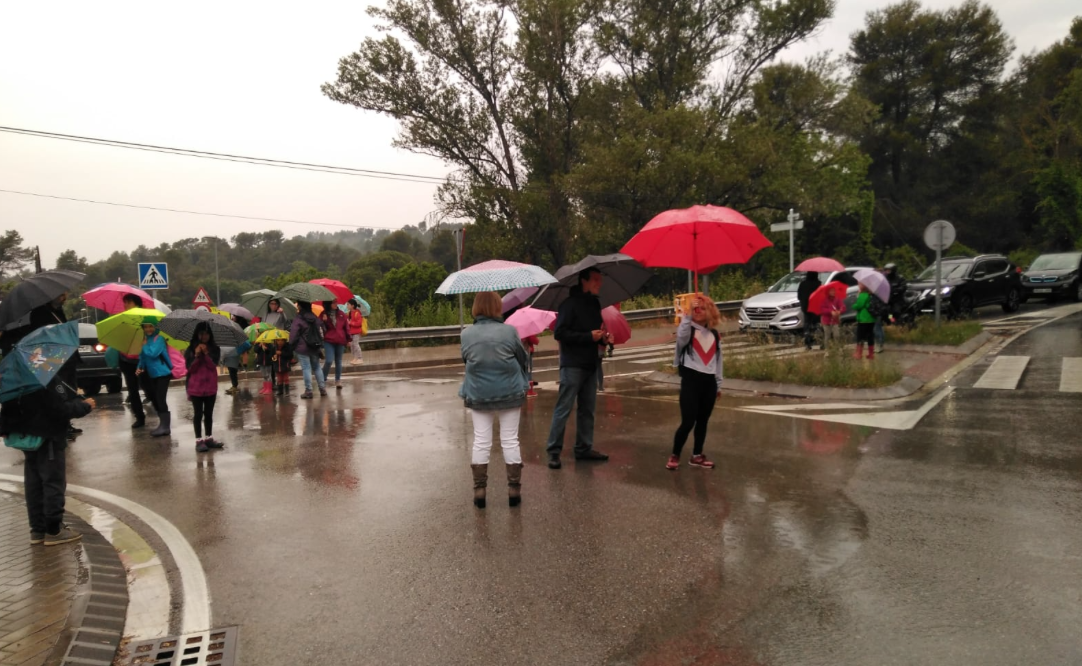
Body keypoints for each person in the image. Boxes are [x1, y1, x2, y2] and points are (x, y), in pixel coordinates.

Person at [0, 357, 94, 546]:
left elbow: (8, 408)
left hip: (27, 438)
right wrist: (85, 405)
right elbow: (58, 409)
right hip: (48, 436)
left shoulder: (15, 378)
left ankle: (37, 530)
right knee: (53, 482)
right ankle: (54, 530)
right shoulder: (43, 377)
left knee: (33, 483)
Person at [459, 291, 529, 509]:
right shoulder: (509, 331)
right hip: (509, 391)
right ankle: (514, 489)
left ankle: (480, 491)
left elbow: (466, 358)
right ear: (498, 307)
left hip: (479, 392)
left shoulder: (466, 334)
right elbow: (522, 358)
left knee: (481, 440)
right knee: (510, 439)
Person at [544, 268, 612, 469]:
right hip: (572, 365)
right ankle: (553, 452)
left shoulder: (595, 304)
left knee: (587, 410)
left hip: (591, 363)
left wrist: (603, 338)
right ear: (584, 281)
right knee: (563, 409)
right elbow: (560, 333)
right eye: (595, 280)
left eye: (600, 280)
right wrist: (588, 337)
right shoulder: (568, 305)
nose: (599, 283)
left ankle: (583, 448)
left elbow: (594, 332)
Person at [667, 295, 723, 470]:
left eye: (702, 309)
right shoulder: (688, 330)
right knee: (688, 421)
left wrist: (718, 384)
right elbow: (681, 338)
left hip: (709, 384)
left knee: (703, 421)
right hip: (691, 382)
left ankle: (697, 455)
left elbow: (718, 361)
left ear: (710, 312)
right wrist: (688, 314)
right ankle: (675, 454)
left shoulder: (714, 334)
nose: (699, 312)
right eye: (696, 309)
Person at [184, 323, 222, 453]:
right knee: (198, 414)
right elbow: (190, 369)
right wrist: (196, 355)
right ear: (197, 334)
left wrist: (206, 354)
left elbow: (213, 366)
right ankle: (199, 440)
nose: (204, 336)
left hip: (210, 386)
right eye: (201, 333)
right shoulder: (190, 349)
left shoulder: (215, 349)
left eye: (206, 333)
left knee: (209, 413)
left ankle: (209, 438)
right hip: (196, 387)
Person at [136, 317, 173, 436]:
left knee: (160, 398)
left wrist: (144, 346)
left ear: (155, 327)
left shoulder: (160, 339)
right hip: (151, 374)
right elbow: (143, 357)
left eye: (150, 326)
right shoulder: (146, 339)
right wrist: (139, 367)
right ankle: (163, 424)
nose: (148, 329)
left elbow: (153, 354)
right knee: (155, 399)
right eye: (145, 327)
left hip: (162, 373)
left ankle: (165, 427)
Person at [118, 294, 149, 428]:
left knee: (148, 387)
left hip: (141, 359)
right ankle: (139, 417)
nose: (125, 305)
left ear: (136, 303)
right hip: (125, 359)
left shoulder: (145, 318)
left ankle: (162, 413)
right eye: (125, 302)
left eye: (128, 302)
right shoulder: (122, 319)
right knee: (132, 390)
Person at [290, 301, 327, 399]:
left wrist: (292, 345)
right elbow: (323, 328)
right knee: (317, 367)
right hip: (315, 346)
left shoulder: (298, 318)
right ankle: (322, 389)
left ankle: (309, 391)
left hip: (302, 348)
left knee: (306, 368)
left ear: (300, 306)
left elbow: (293, 334)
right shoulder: (315, 317)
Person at [320, 301, 350, 390]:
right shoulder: (323, 314)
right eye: (333, 303)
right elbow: (319, 326)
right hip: (329, 340)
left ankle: (338, 380)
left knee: (339, 361)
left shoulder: (341, 314)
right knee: (329, 360)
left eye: (336, 302)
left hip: (340, 340)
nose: (335, 304)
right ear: (328, 304)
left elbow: (346, 327)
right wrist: (324, 321)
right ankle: (322, 378)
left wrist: (348, 339)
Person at [797, 272, 822, 351]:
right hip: (816, 308)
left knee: (807, 324)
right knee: (817, 324)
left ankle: (808, 344)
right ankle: (820, 341)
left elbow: (799, 296)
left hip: (805, 308)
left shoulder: (803, 284)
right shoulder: (818, 284)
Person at [852, 284, 877, 360]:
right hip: (871, 319)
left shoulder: (863, 295)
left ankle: (859, 354)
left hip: (863, 319)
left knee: (860, 336)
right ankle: (871, 354)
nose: (858, 285)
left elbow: (859, 306)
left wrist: (854, 305)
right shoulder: (871, 295)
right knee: (870, 336)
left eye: (860, 284)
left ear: (863, 286)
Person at [347, 299, 366, 365]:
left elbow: (359, 323)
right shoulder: (349, 313)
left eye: (348, 304)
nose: (347, 306)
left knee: (356, 345)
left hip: (356, 332)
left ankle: (360, 358)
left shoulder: (357, 313)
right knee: (352, 346)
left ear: (352, 305)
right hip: (351, 332)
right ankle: (355, 357)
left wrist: (350, 323)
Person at [522, 333, 540, 398]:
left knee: (523, 369)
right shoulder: (527, 330)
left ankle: (523, 388)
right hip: (527, 351)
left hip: (520, 351)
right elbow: (534, 340)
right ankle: (529, 390)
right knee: (528, 369)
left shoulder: (516, 330)